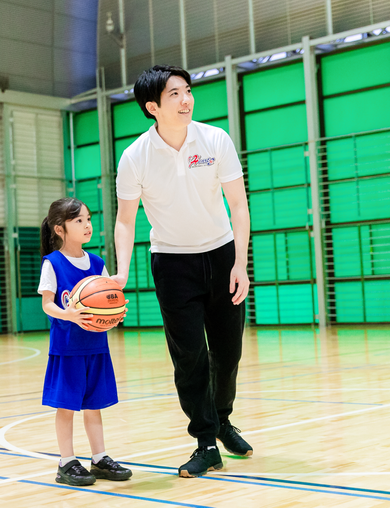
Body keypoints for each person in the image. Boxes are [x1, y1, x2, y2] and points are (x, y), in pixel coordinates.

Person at [112, 65, 252, 478]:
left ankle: (222, 420)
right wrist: (121, 273)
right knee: (189, 357)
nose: (186, 99)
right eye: (174, 94)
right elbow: (125, 220)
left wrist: (240, 263)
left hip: (221, 255)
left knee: (228, 353)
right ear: (152, 107)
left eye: (187, 90)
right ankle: (206, 442)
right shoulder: (134, 157)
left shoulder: (215, 139)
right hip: (172, 263)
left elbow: (238, 204)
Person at [37, 197, 133, 487]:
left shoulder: (97, 263)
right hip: (67, 348)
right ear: (60, 229)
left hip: (96, 346)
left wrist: (117, 313)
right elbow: (47, 304)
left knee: (94, 405)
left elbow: (109, 301)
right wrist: (67, 314)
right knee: (66, 407)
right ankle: (66, 462)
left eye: (88, 219)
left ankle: (99, 458)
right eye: (78, 220)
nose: (87, 225)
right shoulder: (53, 263)